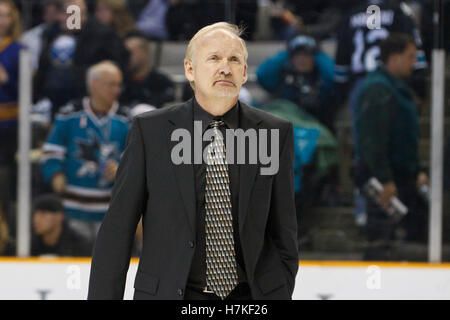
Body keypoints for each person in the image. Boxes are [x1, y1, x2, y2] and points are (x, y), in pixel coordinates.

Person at [88, 22, 298, 300]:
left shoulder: (275, 132)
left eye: (234, 60)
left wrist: (279, 290)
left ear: (245, 72)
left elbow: (284, 229)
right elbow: (117, 231)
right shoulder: (150, 131)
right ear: (190, 70)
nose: (225, 67)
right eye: (214, 58)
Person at [355, 33, 429, 260]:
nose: (413, 62)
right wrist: (385, 179)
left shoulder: (395, 88)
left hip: (403, 177)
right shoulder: (378, 89)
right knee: (381, 242)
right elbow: (373, 139)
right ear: (394, 58)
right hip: (387, 181)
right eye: (410, 57)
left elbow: (406, 137)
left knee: (414, 232)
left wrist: (416, 170)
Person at [40, 61, 130, 243]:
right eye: (111, 84)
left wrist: (121, 168)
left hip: (109, 210)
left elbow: (135, 157)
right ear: (94, 85)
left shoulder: (126, 118)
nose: (117, 90)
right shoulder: (69, 114)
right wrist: (55, 173)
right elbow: (51, 150)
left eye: (119, 84)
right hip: (71, 207)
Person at [34, 0, 129, 117]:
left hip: (86, 102)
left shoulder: (103, 36)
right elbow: (43, 66)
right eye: (61, 12)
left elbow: (116, 69)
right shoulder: (52, 32)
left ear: (82, 15)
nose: (61, 17)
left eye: (68, 13)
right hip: (54, 101)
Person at [256, 34, 335, 131]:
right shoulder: (283, 77)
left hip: (316, 132)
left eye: (306, 55)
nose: (301, 60)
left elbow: (333, 77)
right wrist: (286, 52)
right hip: (288, 132)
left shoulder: (321, 79)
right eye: (297, 55)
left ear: (315, 58)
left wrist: (319, 54)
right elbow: (262, 75)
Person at [0, 0, 23, 239]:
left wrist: (7, 80)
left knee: (4, 177)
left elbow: (30, 93)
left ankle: (5, 232)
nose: (1, 21)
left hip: (8, 127)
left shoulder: (18, 50)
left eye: (5, 16)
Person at [120, 31, 175, 108]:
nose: (126, 57)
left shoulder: (162, 83)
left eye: (130, 52)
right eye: (124, 53)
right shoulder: (120, 82)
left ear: (145, 52)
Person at [21, 0, 64, 72]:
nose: (53, 17)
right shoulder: (28, 37)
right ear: (44, 15)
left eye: (55, 13)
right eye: (50, 13)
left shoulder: (68, 37)